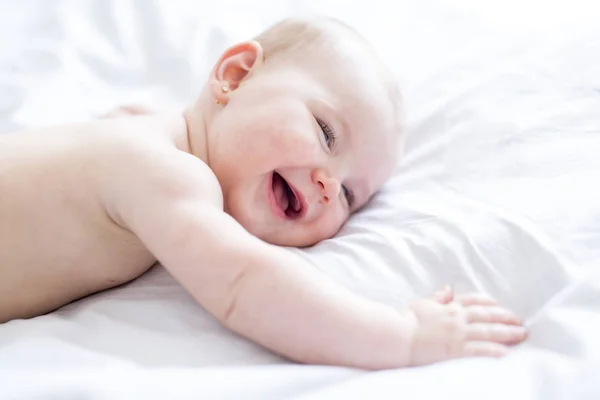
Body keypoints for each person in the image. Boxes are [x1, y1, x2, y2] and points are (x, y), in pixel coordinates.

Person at [0, 17, 526, 369]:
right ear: (233, 75)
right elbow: (248, 287)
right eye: (325, 133)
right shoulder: (169, 174)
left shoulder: (148, 135)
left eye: (349, 196)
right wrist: (404, 337)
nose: (327, 184)